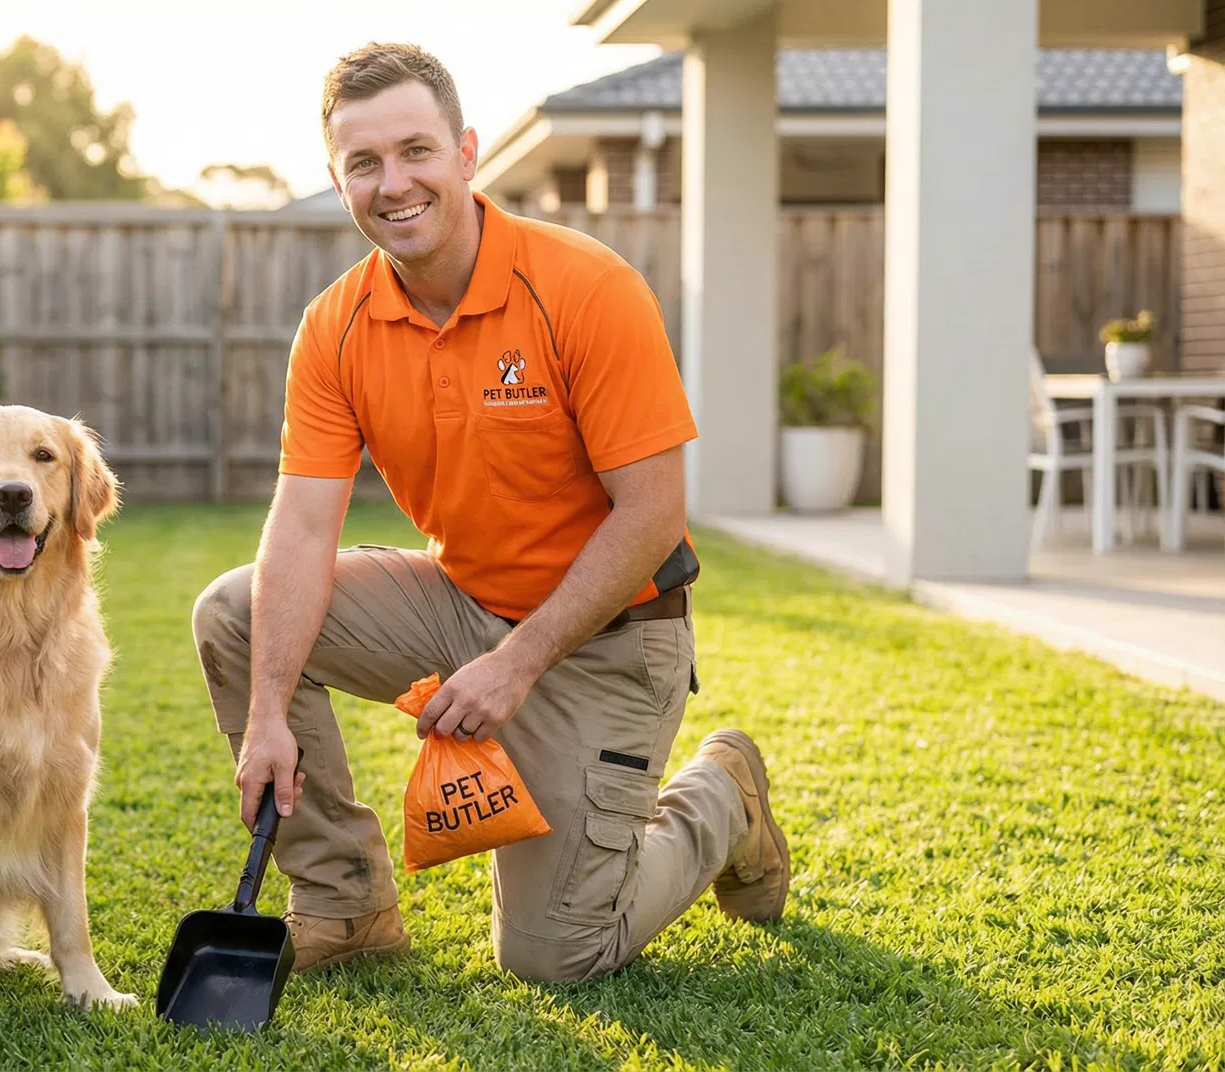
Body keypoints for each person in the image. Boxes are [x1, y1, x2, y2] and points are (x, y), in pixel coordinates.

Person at [189, 42, 791, 982]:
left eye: (416, 151)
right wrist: (268, 710)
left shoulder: (584, 289)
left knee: (556, 956)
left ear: (468, 154)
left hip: (611, 637)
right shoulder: (336, 327)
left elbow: (653, 515)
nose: (394, 183)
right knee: (236, 610)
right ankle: (344, 904)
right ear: (339, 179)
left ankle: (721, 796)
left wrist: (517, 663)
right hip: (467, 606)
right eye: (364, 163)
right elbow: (303, 527)